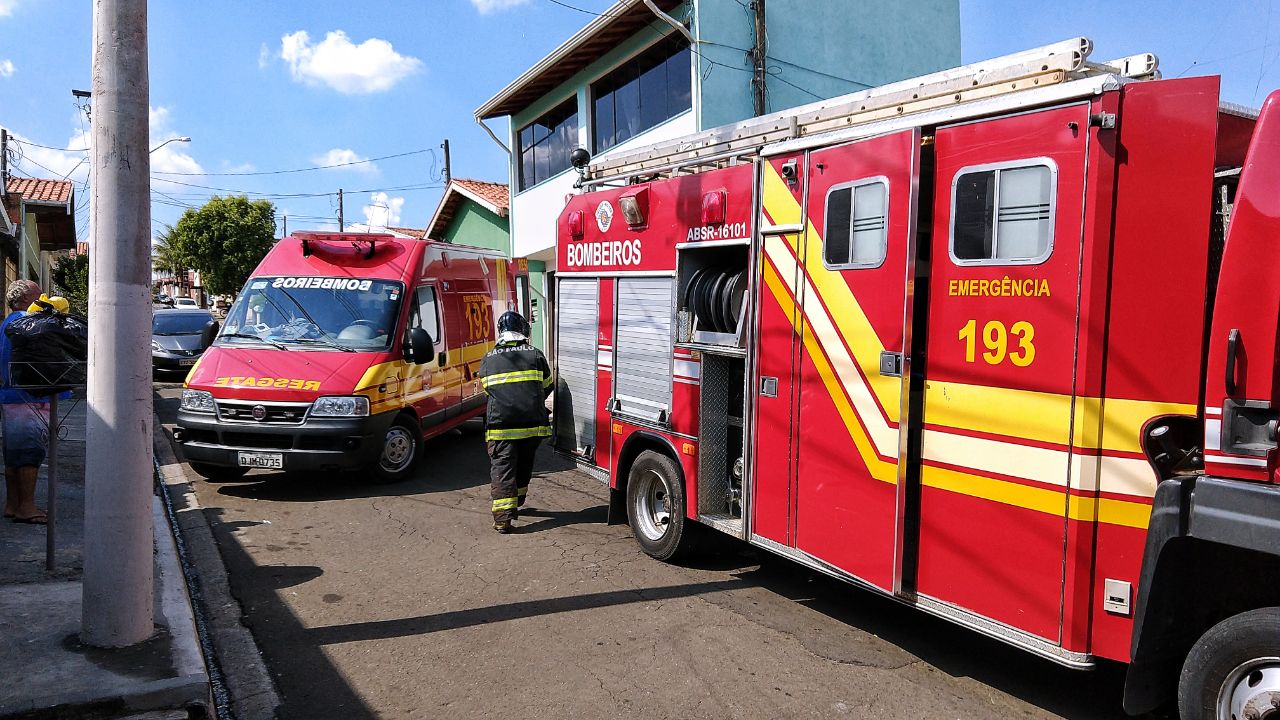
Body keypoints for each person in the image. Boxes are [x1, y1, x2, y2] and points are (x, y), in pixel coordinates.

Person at [477, 311, 553, 533]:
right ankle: (517, 501)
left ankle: (503, 519)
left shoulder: (488, 359)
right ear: (523, 330)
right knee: (524, 463)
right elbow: (547, 385)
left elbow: (487, 391)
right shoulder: (535, 354)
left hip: (501, 428)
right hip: (532, 425)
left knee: (503, 468)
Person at [0, 279, 49, 524]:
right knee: (29, 453)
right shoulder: (26, 321)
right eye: (38, 295)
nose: (43, 299)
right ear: (24, 300)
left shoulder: (9, 321)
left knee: (14, 455)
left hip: (13, 396)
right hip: (28, 397)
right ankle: (26, 506)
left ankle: (13, 504)